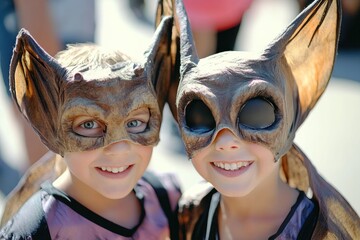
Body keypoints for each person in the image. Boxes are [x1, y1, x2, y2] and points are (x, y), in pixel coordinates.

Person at [172, 0, 360, 238]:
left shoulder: (320, 233)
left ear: (290, 116)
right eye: (201, 117)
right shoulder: (191, 213)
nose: (226, 142)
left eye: (256, 115)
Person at [0, 13, 181, 239]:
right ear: (48, 123)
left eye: (134, 123)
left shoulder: (167, 200)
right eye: (89, 124)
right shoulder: (36, 230)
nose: (119, 149)